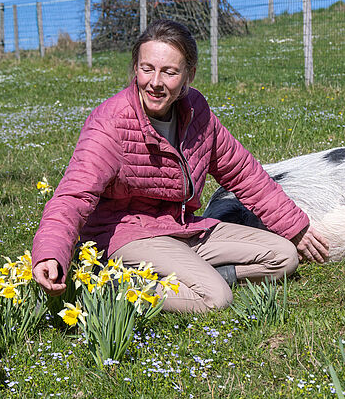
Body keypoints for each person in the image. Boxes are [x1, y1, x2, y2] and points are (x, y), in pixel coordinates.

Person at [31, 19, 328, 313]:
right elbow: (73, 195)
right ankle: (107, 282)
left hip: (181, 228)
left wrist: (294, 228)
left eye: (169, 72)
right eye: (147, 69)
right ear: (135, 68)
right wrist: (51, 252)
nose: (155, 82)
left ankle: (193, 276)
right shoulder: (110, 123)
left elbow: (244, 173)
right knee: (215, 298)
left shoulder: (197, 112)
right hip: (125, 235)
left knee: (284, 257)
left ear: (189, 74)